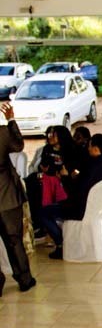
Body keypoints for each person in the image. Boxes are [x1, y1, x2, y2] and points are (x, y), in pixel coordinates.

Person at [41, 134, 102, 259]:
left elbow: (75, 191)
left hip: (81, 209)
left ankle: (61, 245)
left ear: (96, 149)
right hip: (96, 208)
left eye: (89, 146)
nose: (88, 149)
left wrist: (65, 177)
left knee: (44, 212)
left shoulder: (92, 166)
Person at [0, 102, 36, 295]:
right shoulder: (3, 133)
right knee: (14, 239)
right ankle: (24, 279)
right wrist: (11, 120)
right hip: (7, 196)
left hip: (6, 195)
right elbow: (18, 145)